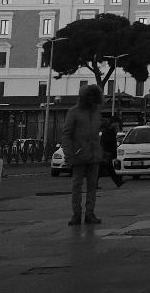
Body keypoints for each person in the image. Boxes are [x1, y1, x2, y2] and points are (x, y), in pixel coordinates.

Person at [60, 85, 105, 226]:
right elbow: (66, 133)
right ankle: (77, 214)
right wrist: (68, 152)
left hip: (94, 153)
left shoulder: (96, 112)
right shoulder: (73, 112)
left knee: (92, 185)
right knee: (77, 185)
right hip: (79, 154)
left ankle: (89, 213)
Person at [99, 116, 124, 188]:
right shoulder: (109, 130)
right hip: (107, 152)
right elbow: (108, 141)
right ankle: (118, 181)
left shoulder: (109, 130)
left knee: (105, 168)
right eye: (117, 123)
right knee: (108, 168)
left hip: (107, 152)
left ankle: (118, 181)